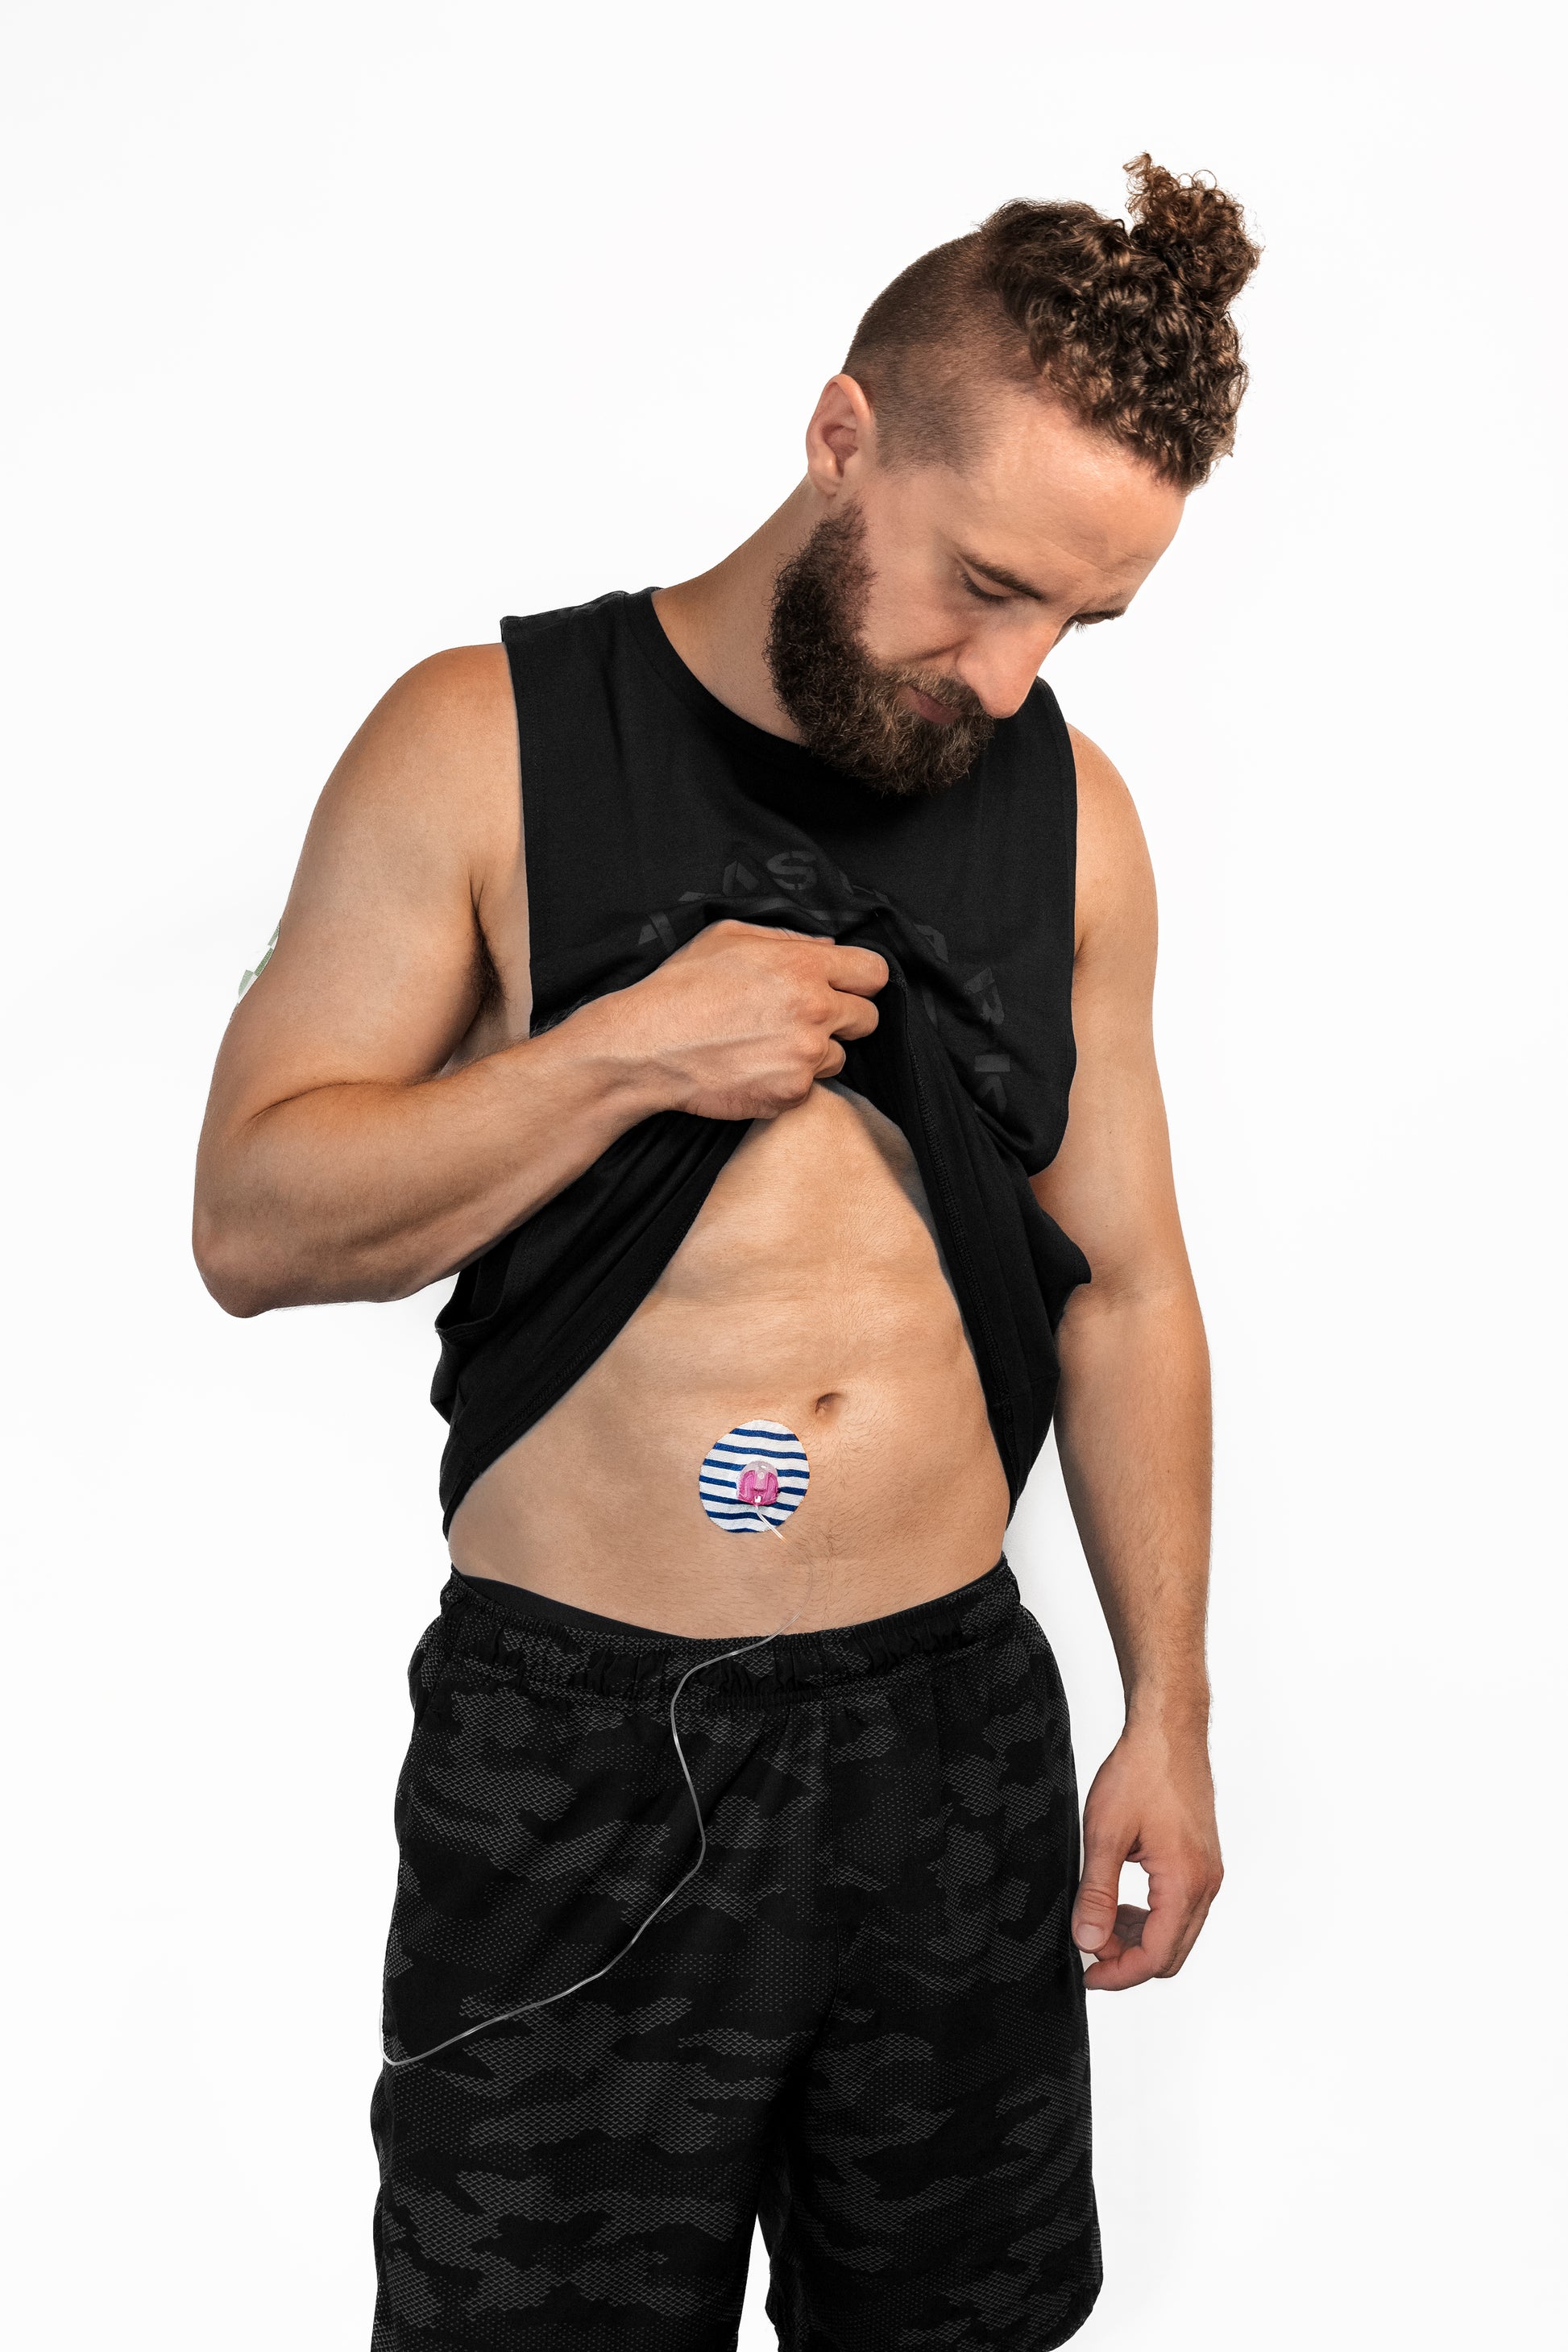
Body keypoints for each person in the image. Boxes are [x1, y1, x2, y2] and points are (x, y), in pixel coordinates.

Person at [194, 154, 1259, 2352]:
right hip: (580, 1743)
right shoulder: (484, 741)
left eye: (1078, 625)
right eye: (984, 586)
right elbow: (253, 1220)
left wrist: (1166, 1709)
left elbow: (1129, 1290)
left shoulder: (1074, 819)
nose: (1012, 674)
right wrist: (616, 1058)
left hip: (947, 1728)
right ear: (843, 435)